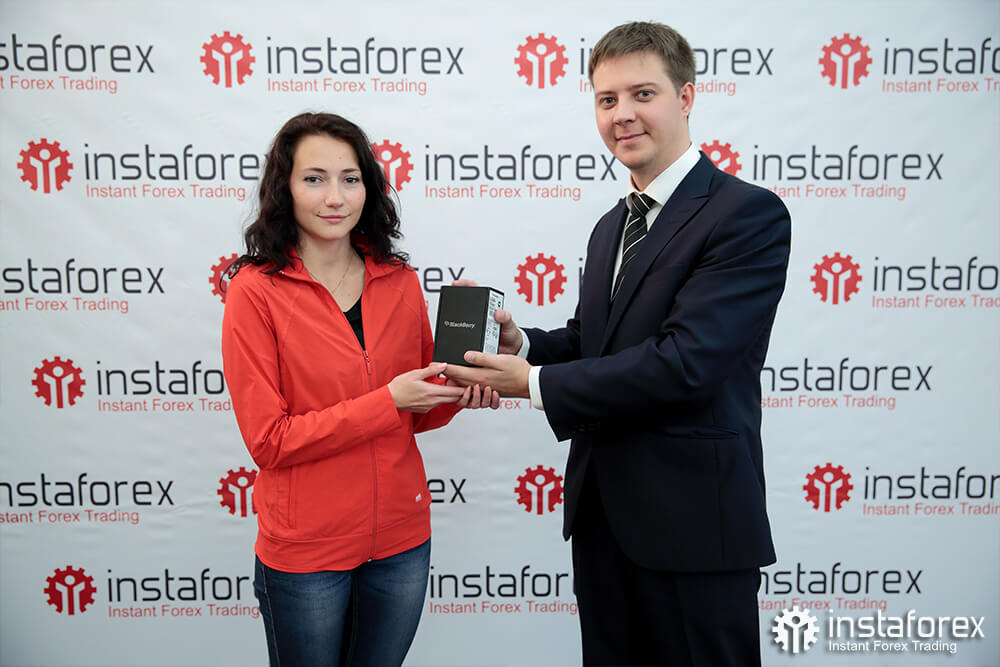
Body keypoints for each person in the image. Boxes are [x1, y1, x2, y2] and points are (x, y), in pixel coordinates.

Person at [445, 21, 791, 667]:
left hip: (694, 529)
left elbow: (686, 362)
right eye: (607, 99)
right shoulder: (612, 224)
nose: (622, 114)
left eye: (642, 94)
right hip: (603, 522)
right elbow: (594, 342)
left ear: (686, 97)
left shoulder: (747, 213)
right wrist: (523, 346)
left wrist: (533, 385)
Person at [221, 112, 498, 667]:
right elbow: (269, 441)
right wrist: (388, 400)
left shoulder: (400, 280)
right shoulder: (254, 292)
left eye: (350, 179)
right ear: (285, 188)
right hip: (307, 552)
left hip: (400, 541)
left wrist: (460, 390)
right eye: (314, 178)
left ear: (368, 188)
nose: (335, 197)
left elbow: (415, 413)